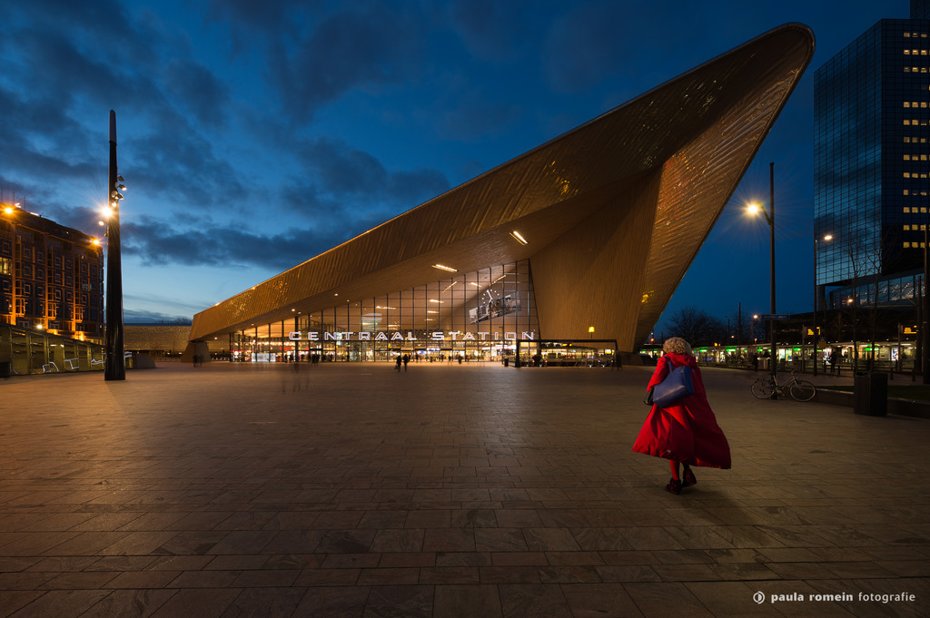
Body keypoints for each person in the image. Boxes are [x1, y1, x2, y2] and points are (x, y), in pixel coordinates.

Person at [632, 337, 731, 495]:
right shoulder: (691, 363)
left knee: (673, 444)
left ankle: (675, 481)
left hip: (672, 407)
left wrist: (652, 389)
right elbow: (699, 387)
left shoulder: (666, 360)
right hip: (691, 406)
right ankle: (687, 472)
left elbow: (656, 380)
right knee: (685, 441)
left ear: (669, 348)